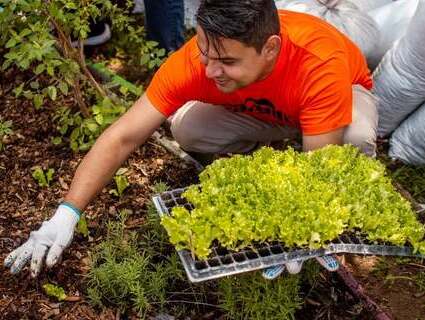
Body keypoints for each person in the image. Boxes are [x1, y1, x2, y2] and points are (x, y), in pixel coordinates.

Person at [4, 0, 377, 280]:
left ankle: (328, 186)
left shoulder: (318, 63)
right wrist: (66, 214)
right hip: (265, 111)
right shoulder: (198, 61)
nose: (211, 70)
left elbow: (317, 170)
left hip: (332, 104)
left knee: (354, 139)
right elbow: (122, 136)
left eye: (227, 61)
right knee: (187, 127)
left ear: (270, 48)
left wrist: (299, 227)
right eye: (205, 52)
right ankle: (269, 155)